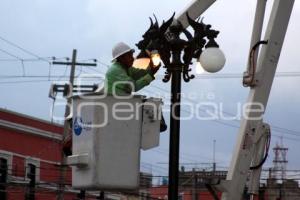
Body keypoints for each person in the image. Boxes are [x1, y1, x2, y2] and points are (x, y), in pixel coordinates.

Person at [105, 42, 167, 131]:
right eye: (129, 56)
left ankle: (154, 125)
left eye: (131, 55)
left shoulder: (124, 67)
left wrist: (151, 68)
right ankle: (156, 126)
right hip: (116, 105)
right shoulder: (116, 70)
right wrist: (150, 74)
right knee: (152, 104)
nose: (132, 58)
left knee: (150, 104)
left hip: (121, 103)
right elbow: (134, 86)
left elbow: (138, 73)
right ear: (121, 58)